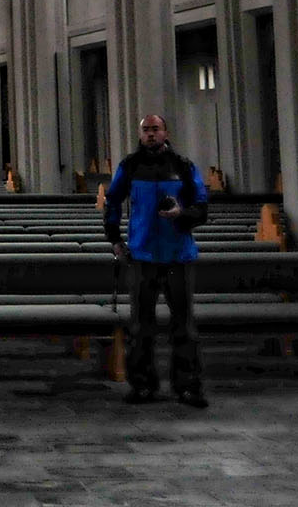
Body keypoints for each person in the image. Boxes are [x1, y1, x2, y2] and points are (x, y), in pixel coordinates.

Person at [103, 113, 210, 408]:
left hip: (178, 255)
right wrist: (114, 239)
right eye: (146, 130)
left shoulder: (183, 166)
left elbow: (202, 207)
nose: (150, 134)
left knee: (184, 326)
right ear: (140, 135)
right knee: (141, 325)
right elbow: (112, 201)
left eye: (156, 129)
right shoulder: (130, 166)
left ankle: (188, 386)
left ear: (166, 132)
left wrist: (181, 214)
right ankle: (143, 385)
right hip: (142, 254)